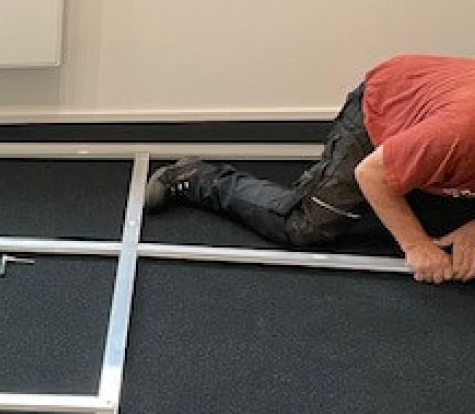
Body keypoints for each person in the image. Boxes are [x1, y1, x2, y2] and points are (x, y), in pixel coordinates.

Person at [146, 54, 475, 284]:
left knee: (444, 221)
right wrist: (416, 246)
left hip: (433, 118)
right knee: (305, 227)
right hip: (385, 108)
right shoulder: (457, 133)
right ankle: (198, 177)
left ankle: (417, 183)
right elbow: (371, 174)